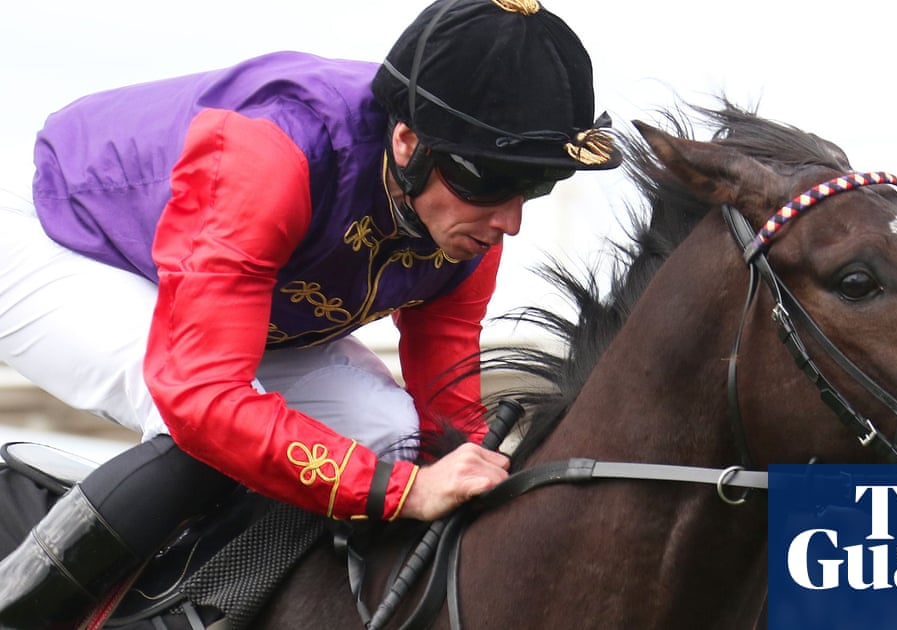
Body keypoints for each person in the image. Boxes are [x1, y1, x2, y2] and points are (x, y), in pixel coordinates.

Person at [0, 0, 621, 626]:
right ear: (408, 142)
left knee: (392, 438)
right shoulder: (273, 151)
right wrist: (404, 492)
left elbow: (444, 408)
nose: (509, 221)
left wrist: (468, 480)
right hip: (63, 239)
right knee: (195, 425)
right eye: (490, 180)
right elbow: (202, 396)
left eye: (535, 186)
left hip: (228, 294)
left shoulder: (465, 221)